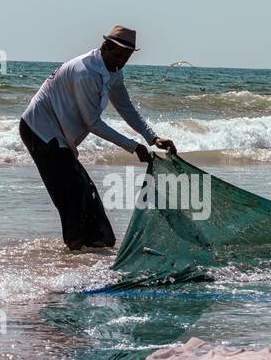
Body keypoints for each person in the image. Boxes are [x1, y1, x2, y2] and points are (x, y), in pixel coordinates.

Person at [18, 26, 175, 250]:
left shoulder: (113, 71)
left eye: (126, 58)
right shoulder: (86, 72)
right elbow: (92, 123)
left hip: (60, 136)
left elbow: (125, 106)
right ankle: (74, 252)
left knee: (85, 193)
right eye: (118, 55)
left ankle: (97, 246)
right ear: (105, 47)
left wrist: (153, 138)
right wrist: (133, 147)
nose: (121, 62)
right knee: (73, 195)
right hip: (40, 130)